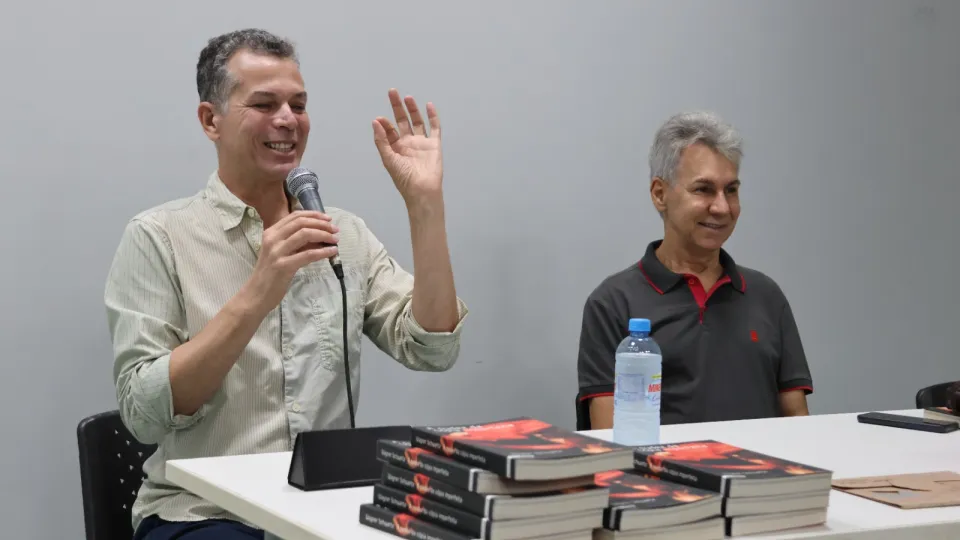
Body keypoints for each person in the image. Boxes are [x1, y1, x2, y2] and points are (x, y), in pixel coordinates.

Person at [104, 28, 468, 539]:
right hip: (206, 514)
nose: (287, 120)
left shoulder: (343, 235)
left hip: (327, 507)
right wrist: (260, 289)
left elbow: (433, 348)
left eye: (298, 104)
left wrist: (425, 205)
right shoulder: (158, 237)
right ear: (211, 120)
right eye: (265, 103)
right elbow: (143, 414)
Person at [576, 111, 812, 430]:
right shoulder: (613, 303)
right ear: (660, 194)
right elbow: (609, 441)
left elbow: (797, 421)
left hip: (759, 478)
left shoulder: (766, 296)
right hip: (663, 478)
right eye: (703, 189)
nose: (722, 208)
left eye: (731, 190)